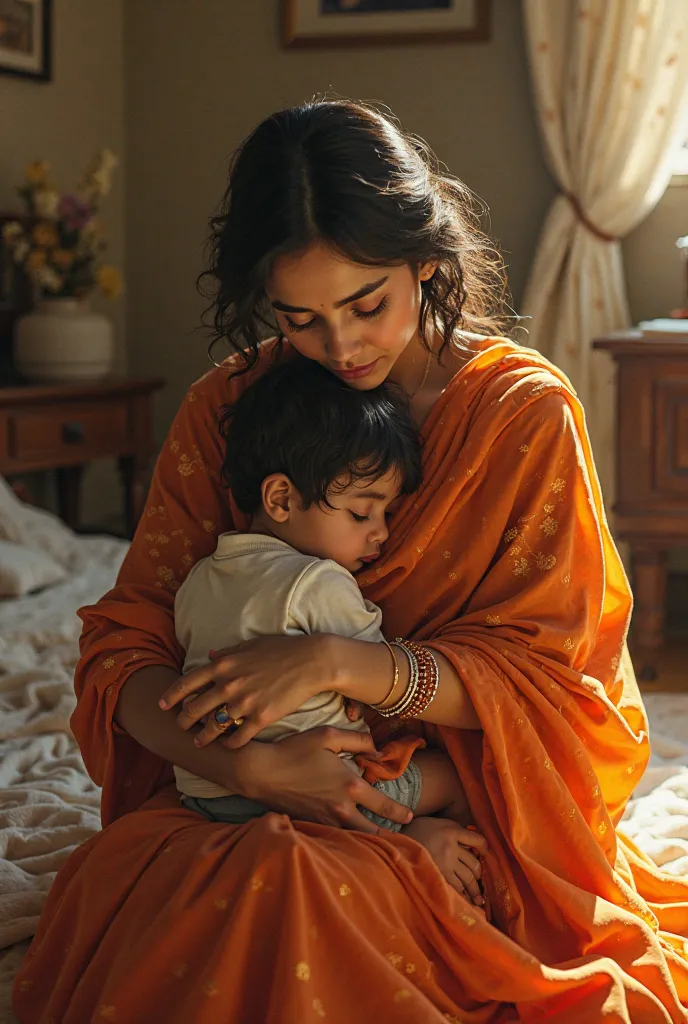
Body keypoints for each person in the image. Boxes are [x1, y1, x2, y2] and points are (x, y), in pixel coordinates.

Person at [14, 99, 688, 1023]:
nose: (341, 349)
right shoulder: (229, 410)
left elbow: (559, 694)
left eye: (367, 304)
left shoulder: (521, 417)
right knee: (161, 888)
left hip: (458, 807)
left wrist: (337, 665)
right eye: (299, 320)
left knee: (302, 894)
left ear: (426, 259)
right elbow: (124, 649)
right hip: (240, 786)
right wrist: (251, 772)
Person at [172, 355, 477, 867]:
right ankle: (419, 851)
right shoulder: (318, 580)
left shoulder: (200, 578)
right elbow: (374, 680)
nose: (380, 532)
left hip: (210, 795)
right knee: (453, 778)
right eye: (362, 511)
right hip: (323, 790)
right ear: (281, 498)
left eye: (386, 513)